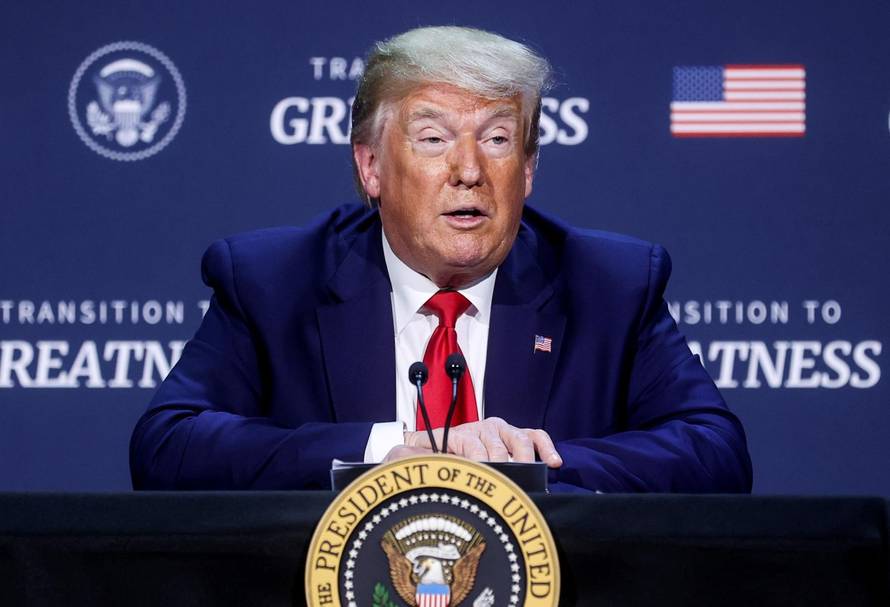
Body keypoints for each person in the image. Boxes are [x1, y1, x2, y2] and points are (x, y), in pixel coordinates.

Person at [130, 26, 752, 493]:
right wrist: (393, 451)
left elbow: (716, 453)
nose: (469, 171)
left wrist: (523, 466)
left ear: (529, 169)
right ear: (371, 167)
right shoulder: (274, 281)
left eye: (498, 139)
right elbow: (167, 448)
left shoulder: (608, 286)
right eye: (433, 139)